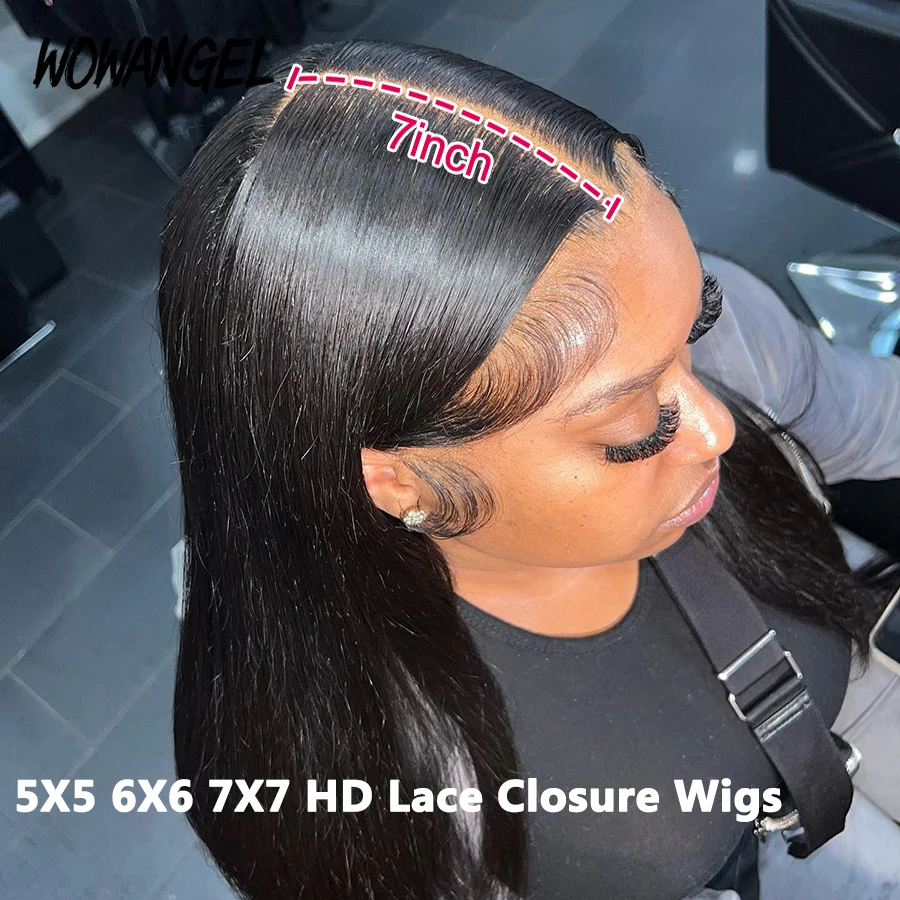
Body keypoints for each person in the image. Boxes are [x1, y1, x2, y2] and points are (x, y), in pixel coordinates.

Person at [156, 40, 899, 900]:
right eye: (634, 422)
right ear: (401, 481)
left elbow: (870, 416)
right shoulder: (352, 766)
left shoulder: (662, 321)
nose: (716, 427)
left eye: (694, 327)